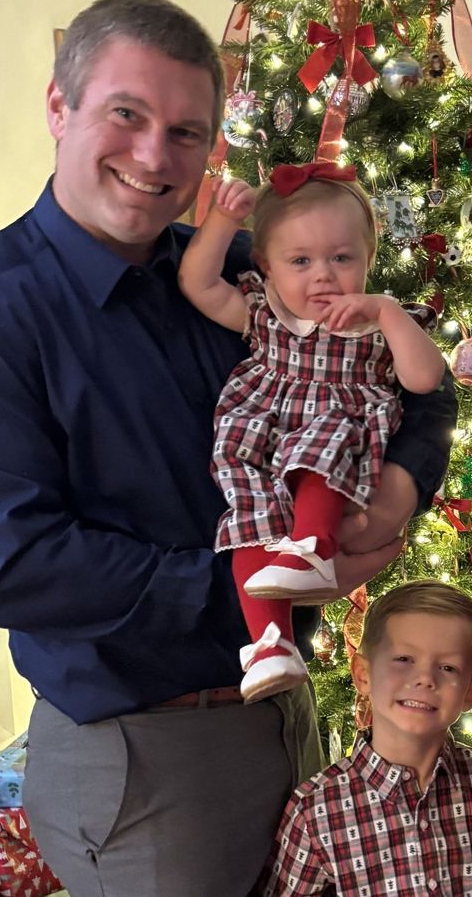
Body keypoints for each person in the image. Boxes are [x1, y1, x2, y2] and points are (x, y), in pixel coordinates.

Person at [0, 0, 456, 896]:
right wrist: (260, 582)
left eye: (186, 132)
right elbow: (18, 565)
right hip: (144, 757)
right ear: (59, 107)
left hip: (283, 713)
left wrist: (405, 481)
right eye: (126, 115)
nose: (152, 156)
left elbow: (407, 378)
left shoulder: (238, 271)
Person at [178, 167, 446, 702]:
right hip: (259, 444)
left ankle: (314, 548)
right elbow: (198, 284)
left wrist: (389, 313)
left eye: (341, 258)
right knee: (248, 525)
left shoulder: (375, 324)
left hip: (335, 445)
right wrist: (223, 221)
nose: (323, 275)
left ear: (368, 257)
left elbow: (425, 378)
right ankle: (269, 644)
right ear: (267, 267)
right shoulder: (264, 312)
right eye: (300, 261)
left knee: (318, 442)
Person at [263, 580, 472, 895]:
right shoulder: (316, 809)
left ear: (470, 694)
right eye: (404, 659)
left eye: (448, 667)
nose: (424, 679)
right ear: (363, 674)